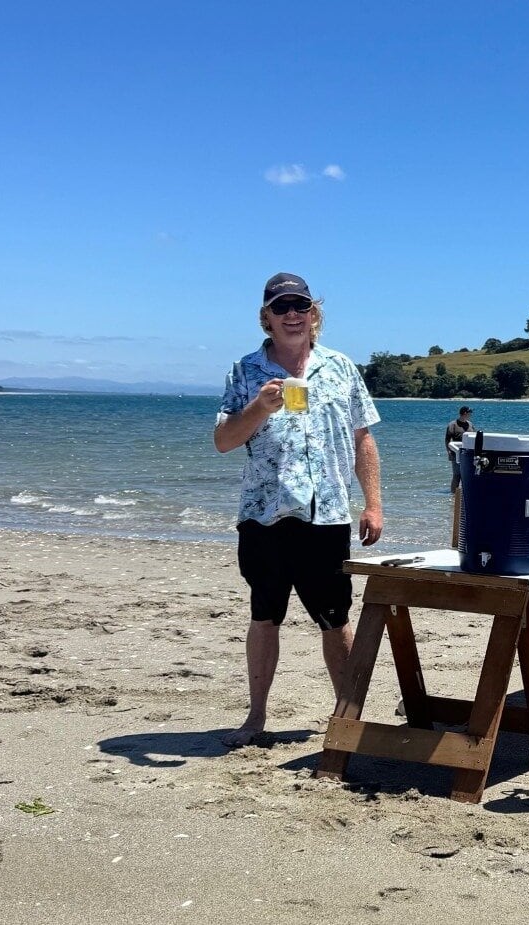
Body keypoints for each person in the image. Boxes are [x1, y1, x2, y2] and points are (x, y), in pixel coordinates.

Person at [213, 272, 384, 748]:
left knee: (335, 616)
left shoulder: (340, 367)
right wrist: (259, 408)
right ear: (266, 317)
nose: (292, 315)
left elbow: (363, 440)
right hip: (264, 515)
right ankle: (255, 718)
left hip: (326, 514)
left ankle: (347, 720)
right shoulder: (245, 370)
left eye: (301, 306)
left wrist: (373, 504)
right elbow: (224, 440)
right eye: (281, 307)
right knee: (264, 614)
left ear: (314, 314)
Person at [445, 406, 474, 492]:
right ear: (465, 413)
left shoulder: (470, 424)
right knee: (457, 475)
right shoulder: (453, 424)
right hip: (456, 453)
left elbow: (474, 437)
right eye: (470, 413)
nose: (471, 415)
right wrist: (449, 452)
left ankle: (464, 494)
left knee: (467, 475)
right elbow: (447, 440)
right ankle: (453, 495)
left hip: (468, 453)